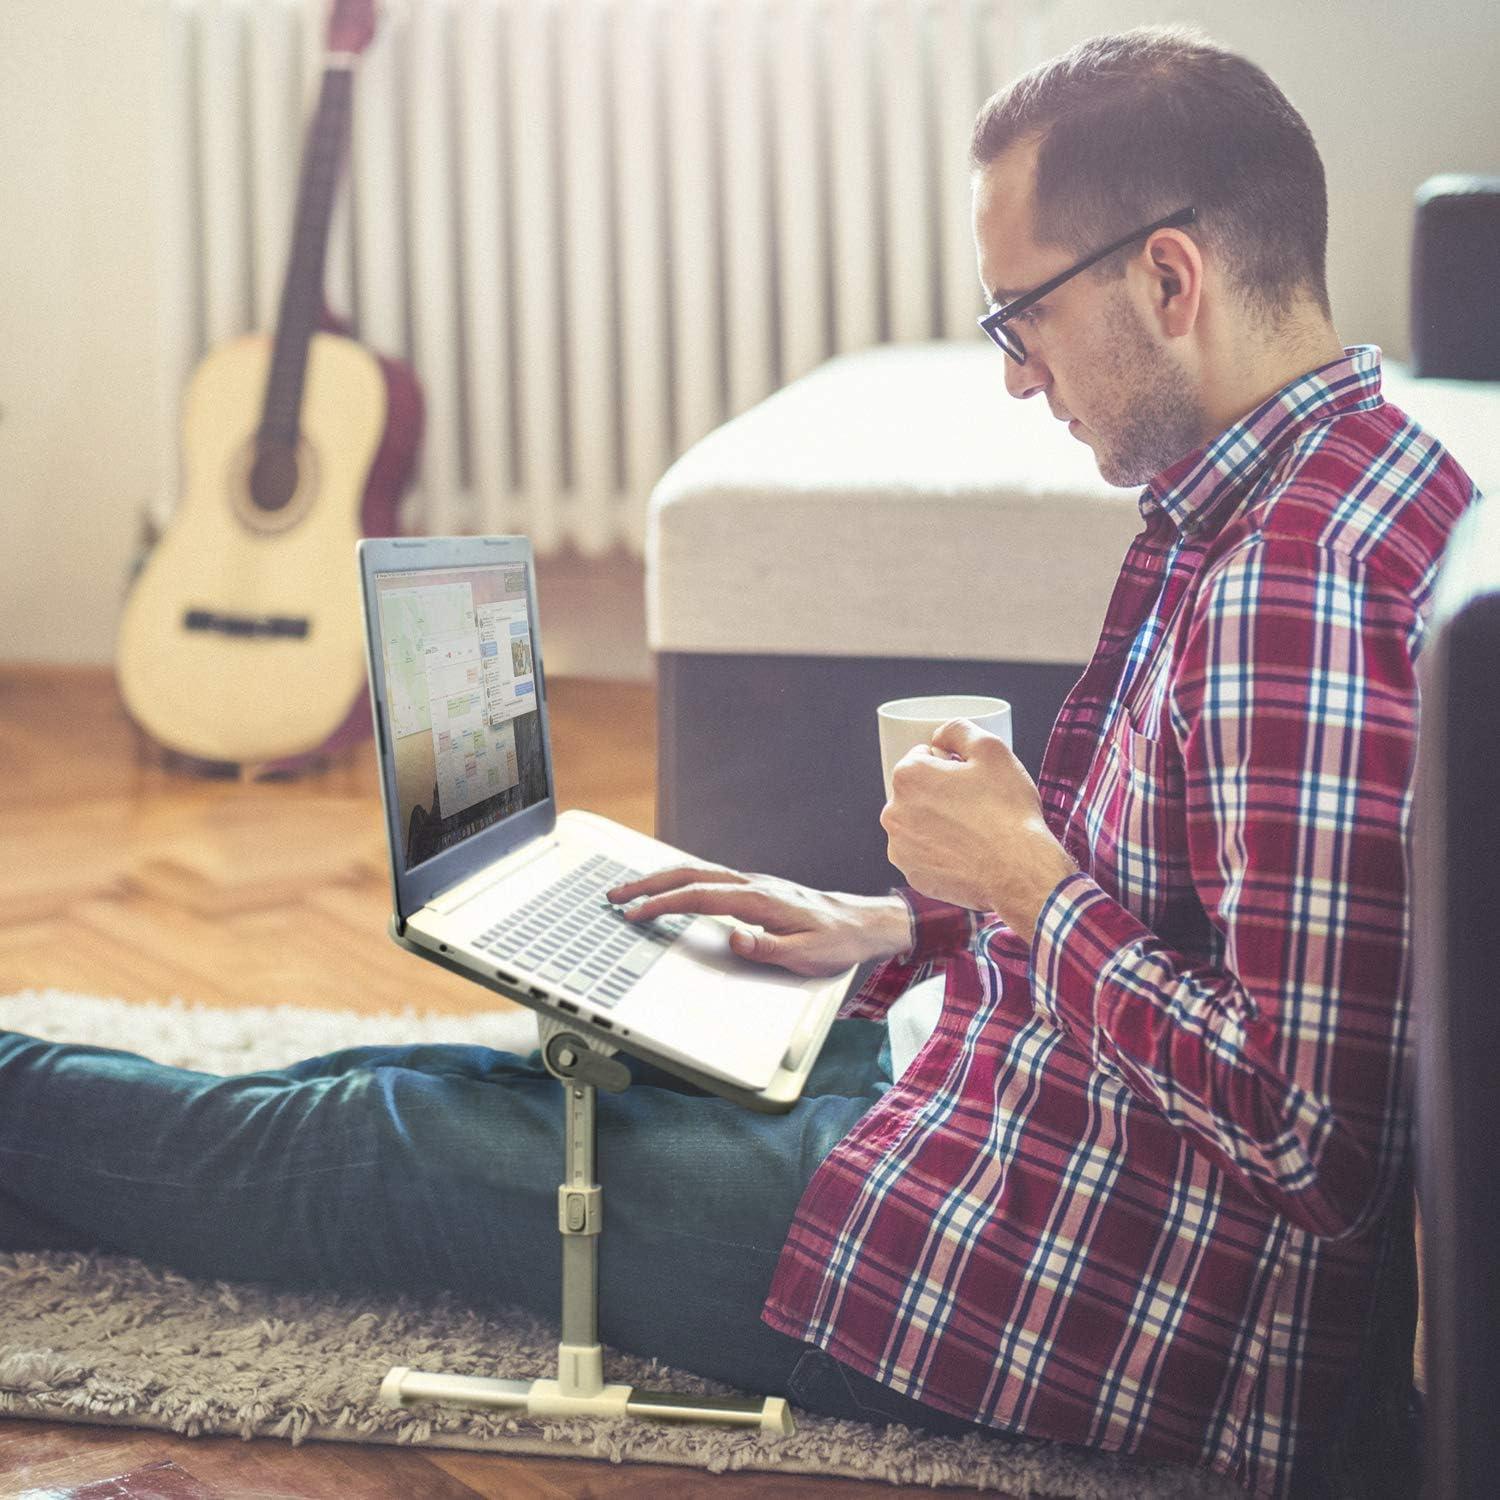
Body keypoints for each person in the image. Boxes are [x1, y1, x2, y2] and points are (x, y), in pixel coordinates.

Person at [0, 25, 1481, 1499]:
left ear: (1171, 280)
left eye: (1019, 314)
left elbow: (1317, 1145)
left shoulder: (1303, 586)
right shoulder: (1336, 480)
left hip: (1063, 1280)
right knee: (505, 1069)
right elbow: (1203, 930)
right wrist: (903, 928)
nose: (1019, 378)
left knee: (408, 1145)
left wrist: (1025, 882)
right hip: (1019, 1105)